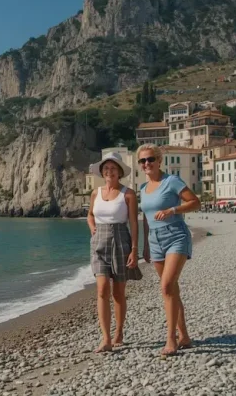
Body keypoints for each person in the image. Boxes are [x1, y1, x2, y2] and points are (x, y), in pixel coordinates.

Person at [137, 144, 201, 356]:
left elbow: (195, 202)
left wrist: (173, 210)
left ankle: (171, 339)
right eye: (143, 161)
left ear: (159, 160)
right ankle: (184, 336)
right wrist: (145, 246)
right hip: (154, 241)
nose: (147, 163)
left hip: (175, 235)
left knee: (166, 286)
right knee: (171, 289)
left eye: (150, 159)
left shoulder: (171, 181)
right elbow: (146, 219)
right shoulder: (143, 189)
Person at [87, 151, 141, 353]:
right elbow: (90, 215)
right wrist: (92, 227)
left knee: (118, 292)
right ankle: (106, 338)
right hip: (98, 243)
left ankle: (119, 332)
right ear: (102, 172)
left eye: (113, 168)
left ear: (119, 172)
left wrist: (134, 249)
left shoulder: (128, 194)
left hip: (120, 241)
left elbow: (134, 223)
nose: (109, 171)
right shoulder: (95, 193)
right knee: (102, 289)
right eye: (106, 168)